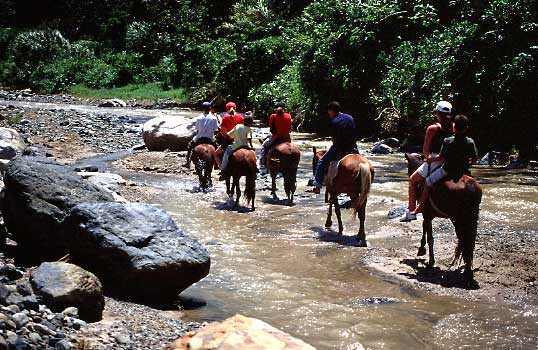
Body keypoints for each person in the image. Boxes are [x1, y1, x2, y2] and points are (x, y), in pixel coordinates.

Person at [412, 115, 478, 214]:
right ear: (466, 128)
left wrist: (430, 160)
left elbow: (440, 157)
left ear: (454, 127)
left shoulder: (448, 141)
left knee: (427, 182)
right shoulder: (470, 141)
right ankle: (476, 207)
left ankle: (420, 207)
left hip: (447, 170)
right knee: (474, 187)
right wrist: (469, 165)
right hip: (464, 171)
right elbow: (474, 159)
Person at [400, 101, 454, 222]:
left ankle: (411, 212)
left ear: (437, 114)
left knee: (412, 180)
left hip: (436, 160)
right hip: (451, 160)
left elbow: (425, 151)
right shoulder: (454, 127)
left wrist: (429, 159)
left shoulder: (433, 128)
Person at [312, 101, 359, 194]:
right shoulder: (350, 118)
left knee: (321, 162)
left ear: (331, 111)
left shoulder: (334, 122)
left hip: (339, 149)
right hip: (353, 147)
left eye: (329, 112)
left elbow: (334, 139)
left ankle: (317, 186)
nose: (329, 114)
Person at [259, 102, 292, 174]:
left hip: (276, 137)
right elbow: (290, 129)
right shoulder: (289, 116)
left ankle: (262, 164)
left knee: (264, 146)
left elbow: (272, 129)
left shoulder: (273, 116)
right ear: (284, 109)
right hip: (286, 138)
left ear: (275, 109)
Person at [183, 101, 219, 168]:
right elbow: (216, 130)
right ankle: (216, 164)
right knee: (217, 148)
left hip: (199, 137)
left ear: (203, 109)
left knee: (190, 147)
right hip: (210, 138)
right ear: (210, 108)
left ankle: (188, 162)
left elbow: (197, 129)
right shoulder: (214, 118)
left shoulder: (199, 118)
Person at [220, 115, 254, 180]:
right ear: (249, 123)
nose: (251, 125)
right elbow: (249, 138)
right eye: (251, 123)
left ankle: (223, 169)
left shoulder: (237, 126)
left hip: (236, 146)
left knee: (226, 154)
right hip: (245, 146)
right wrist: (251, 146)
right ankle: (255, 168)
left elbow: (229, 135)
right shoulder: (249, 129)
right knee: (253, 155)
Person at [215, 102, 244, 169]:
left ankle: (222, 169)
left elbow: (223, 133)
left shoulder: (225, 118)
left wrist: (226, 137)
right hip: (241, 140)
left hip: (229, 140)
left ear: (226, 109)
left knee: (216, 154)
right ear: (235, 108)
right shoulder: (241, 117)